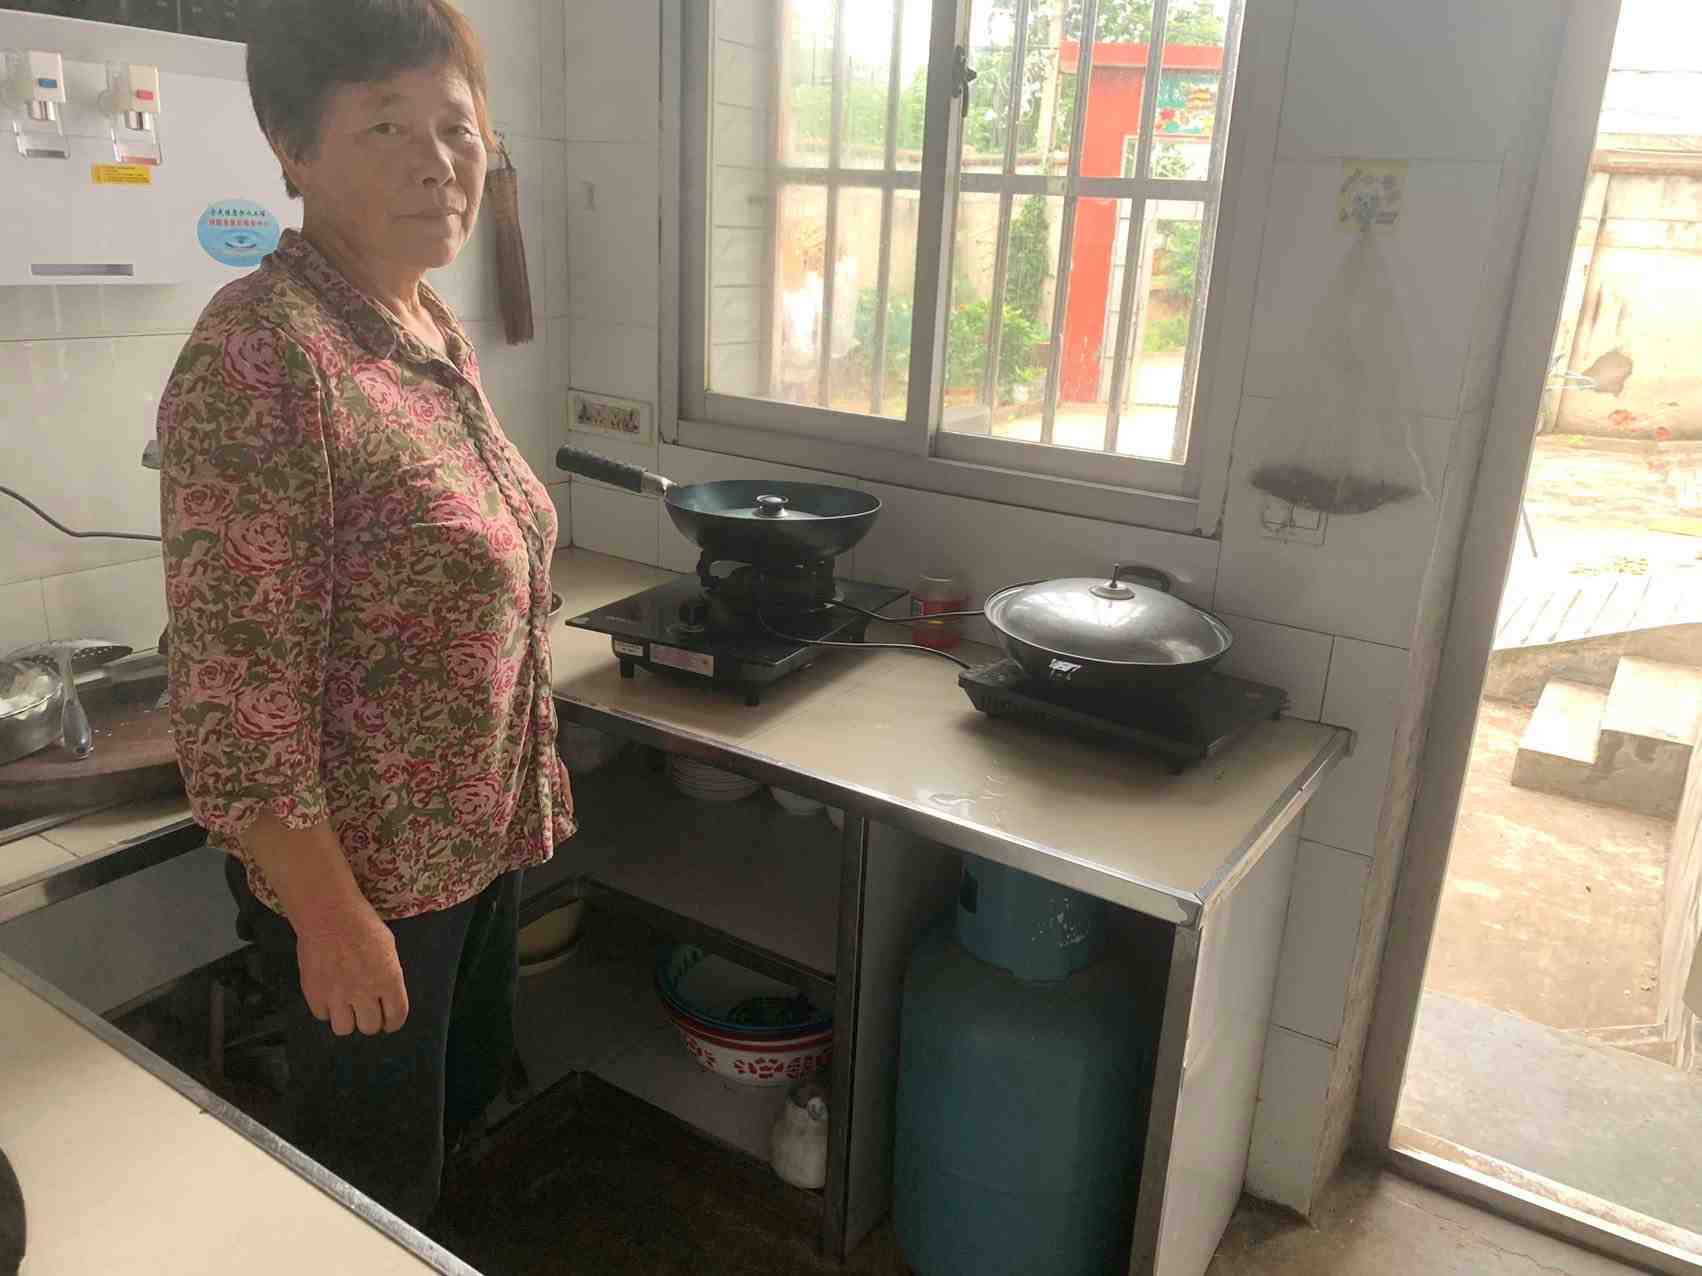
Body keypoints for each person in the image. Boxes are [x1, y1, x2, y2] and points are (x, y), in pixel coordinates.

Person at [156, 0, 572, 1226]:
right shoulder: (262, 354)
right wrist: (331, 917)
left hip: (473, 845)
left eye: (456, 125)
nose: (436, 161)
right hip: (366, 883)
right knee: (366, 1194)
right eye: (386, 125)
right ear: (293, 148)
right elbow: (234, 695)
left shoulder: (423, 323)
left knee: (443, 1134)